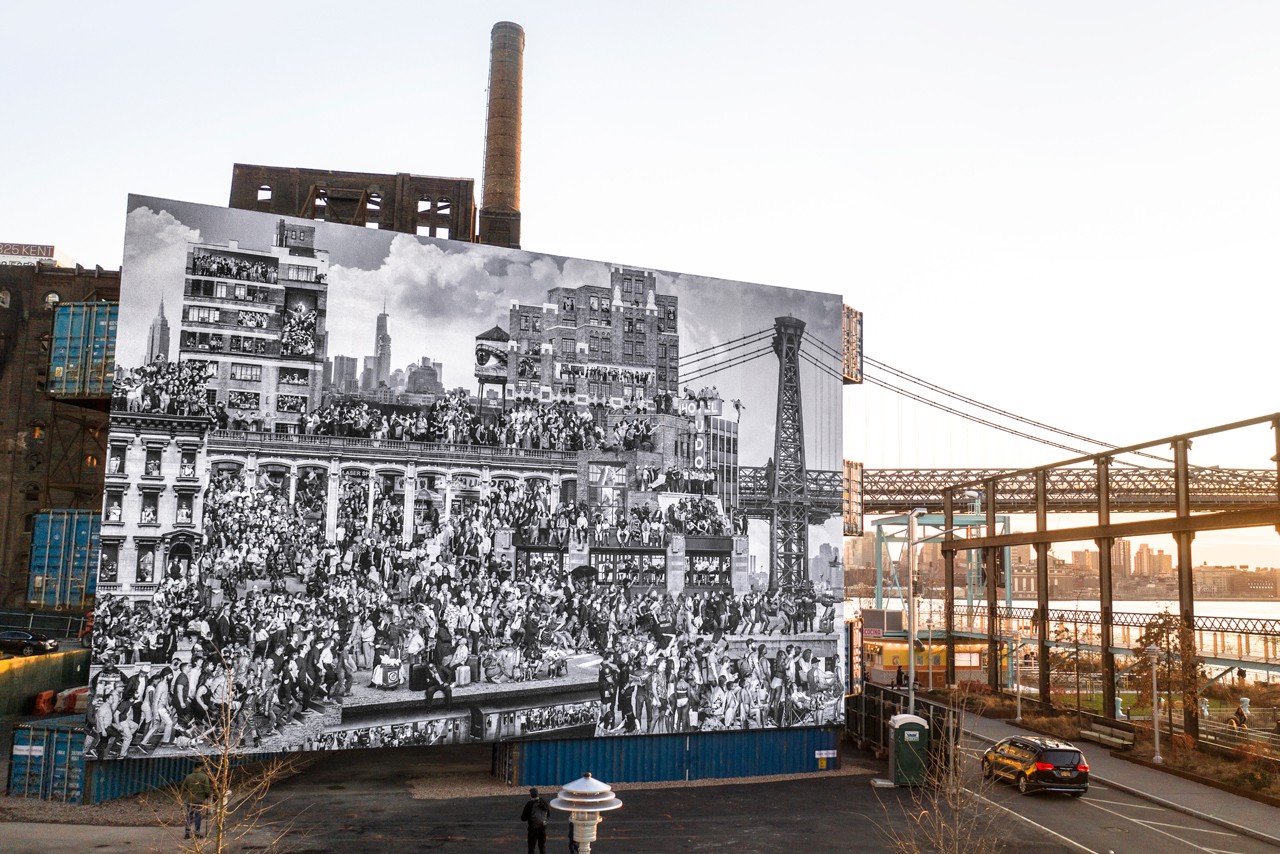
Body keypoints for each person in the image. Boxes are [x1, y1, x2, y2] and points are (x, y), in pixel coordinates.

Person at [181, 766, 213, 839]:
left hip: (190, 799)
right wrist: (207, 795)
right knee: (198, 815)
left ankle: (187, 832)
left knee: (190, 815)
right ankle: (197, 832)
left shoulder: (188, 777)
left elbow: (184, 788)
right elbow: (207, 789)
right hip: (199, 799)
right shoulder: (204, 777)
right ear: (200, 769)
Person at [521, 786, 551, 854]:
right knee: (542, 846)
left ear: (531, 795)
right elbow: (548, 815)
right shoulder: (544, 802)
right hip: (542, 828)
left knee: (531, 847)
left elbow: (523, 818)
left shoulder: (529, 804)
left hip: (532, 829)